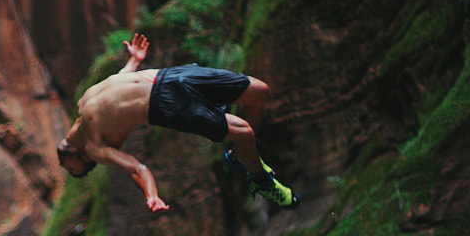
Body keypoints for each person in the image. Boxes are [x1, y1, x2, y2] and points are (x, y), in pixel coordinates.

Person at [56, 33, 299, 213]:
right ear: (83, 160)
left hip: (169, 76)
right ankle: (262, 181)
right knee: (244, 132)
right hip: (164, 105)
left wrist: (133, 61)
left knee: (260, 92)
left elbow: (118, 83)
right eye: (72, 169)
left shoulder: (83, 102)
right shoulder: (93, 148)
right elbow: (136, 168)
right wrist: (151, 196)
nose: (64, 162)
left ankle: (240, 155)